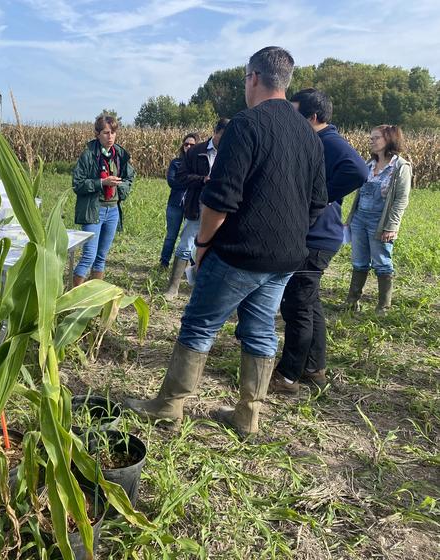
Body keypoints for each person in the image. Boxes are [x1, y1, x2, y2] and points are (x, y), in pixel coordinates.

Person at [126, 47, 327, 438]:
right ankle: (247, 415)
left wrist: (202, 245)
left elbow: (220, 197)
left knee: (200, 325)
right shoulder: (307, 132)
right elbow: (318, 201)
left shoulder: (245, 125)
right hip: (285, 258)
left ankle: (169, 405)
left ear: (253, 78)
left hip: (238, 253)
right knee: (261, 330)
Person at [268, 89, 369, 395]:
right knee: (309, 304)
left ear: (312, 117)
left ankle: (287, 377)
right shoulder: (315, 141)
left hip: (317, 237)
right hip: (316, 235)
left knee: (297, 304)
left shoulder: (329, 141)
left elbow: (358, 170)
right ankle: (314, 368)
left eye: (297, 114)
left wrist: (321, 197)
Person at [344, 125, 412, 314]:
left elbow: (401, 200)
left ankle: (383, 307)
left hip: (379, 222)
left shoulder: (400, 167)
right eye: (371, 137)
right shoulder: (369, 164)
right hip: (360, 219)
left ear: (389, 140)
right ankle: (352, 301)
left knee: (382, 262)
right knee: (359, 261)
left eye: (376, 138)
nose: (371, 141)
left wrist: (391, 226)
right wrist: (351, 218)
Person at [164, 119, 229, 299]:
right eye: (222, 136)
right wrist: (202, 179)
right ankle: (173, 287)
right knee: (186, 245)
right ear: (215, 131)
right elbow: (181, 177)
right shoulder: (195, 151)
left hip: (220, 208)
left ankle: (203, 290)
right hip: (197, 206)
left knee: (214, 250)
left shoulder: (232, 152)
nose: (224, 141)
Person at [72, 114, 135, 285]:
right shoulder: (88, 155)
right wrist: (102, 182)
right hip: (94, 210)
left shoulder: (120, 154)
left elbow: (130, 178)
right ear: (97, 134)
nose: (110, 137)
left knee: (101, 257)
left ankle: (93, 297)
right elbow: (77, 184)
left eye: (113, 132)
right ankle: (73, 299)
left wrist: (119, 186)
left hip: (113, 211)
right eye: (106, 133)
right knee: (89, 256)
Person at [160, 132, 200, 268]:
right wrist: (192, 181)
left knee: (191, 238)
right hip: (175, 204)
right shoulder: (176, 163)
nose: (188, 146)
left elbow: (201, 182)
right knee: (171, 236)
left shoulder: (199, 164)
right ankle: (164, 263)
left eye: (192, 144)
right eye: (186, 144)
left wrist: (186, 180)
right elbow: (172, 181)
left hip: (192, 205)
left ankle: (190, 266)